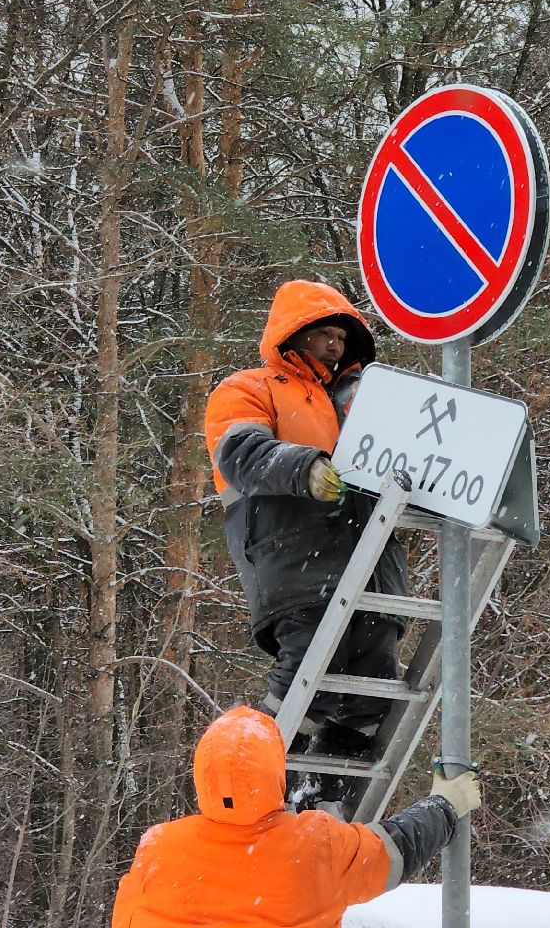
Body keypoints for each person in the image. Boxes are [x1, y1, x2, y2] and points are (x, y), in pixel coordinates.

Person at [203, 279, 411, 810]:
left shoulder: (367, 401)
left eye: (342, 337)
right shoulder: (251, 387)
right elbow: (239, 452)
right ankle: (251, 800)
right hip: (296, 557)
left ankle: (325, 808)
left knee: (371, 688)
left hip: (372, 564)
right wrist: (306, 467)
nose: (335, 346)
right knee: (305, 673)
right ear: (292, 336)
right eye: (323, 334)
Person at [111, 706, 481, 928]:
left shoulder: (159, 847)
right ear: (276, 774)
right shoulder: (314, 844)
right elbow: (394, 851)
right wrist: (446, 805)